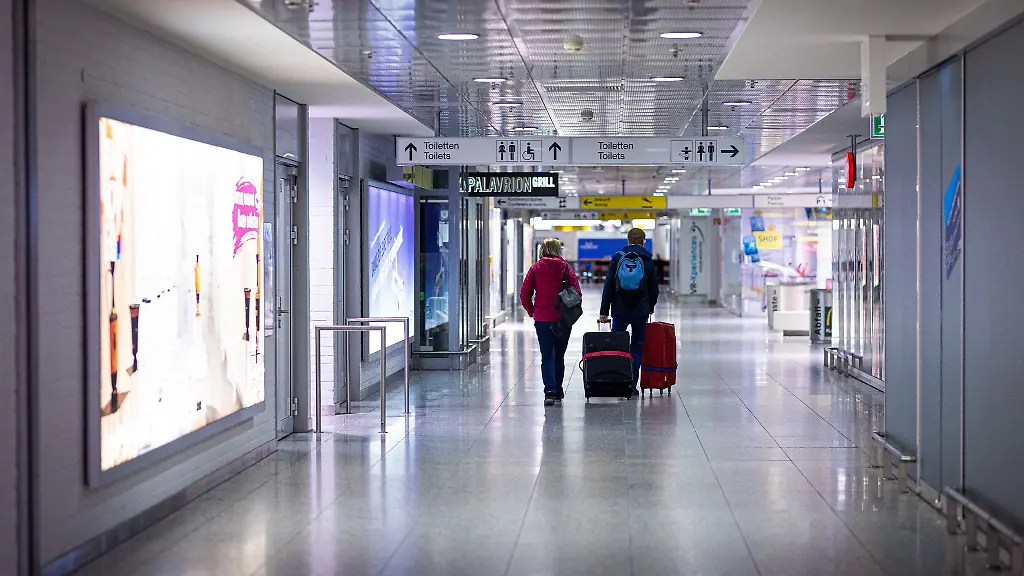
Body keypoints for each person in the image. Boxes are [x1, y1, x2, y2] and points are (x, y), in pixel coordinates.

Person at [521, 238, 582, 406]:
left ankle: (549, 391)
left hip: (542, 319)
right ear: (558, 250)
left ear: (542, 250)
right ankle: (558, 391)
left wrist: (533, 311)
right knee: (559, 356)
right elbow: (577, 293)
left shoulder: (535, 268)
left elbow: (524, 295)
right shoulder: (566, 268)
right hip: (562, 319)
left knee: (547, 355)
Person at [599, 227, 660, 394]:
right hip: (640, 308)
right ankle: (632, 385)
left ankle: (618, 380)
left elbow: (609, 286)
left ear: (627, 240)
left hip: (619, 308)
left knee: (617, 344)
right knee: (637, 347)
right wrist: (650, 306)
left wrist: (604, 311)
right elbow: (654, 289)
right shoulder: (647, 260)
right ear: (643, 241)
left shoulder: (618, 258)